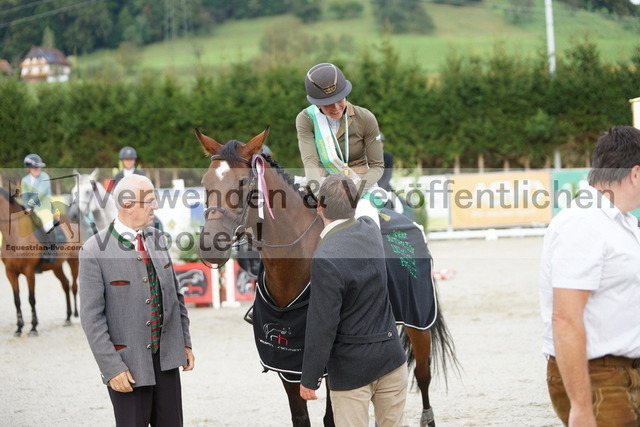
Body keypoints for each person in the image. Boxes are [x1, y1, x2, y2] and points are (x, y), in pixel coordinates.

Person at [540, 125, 640, 426]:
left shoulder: (622, 223)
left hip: (623, 370)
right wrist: (582, 407)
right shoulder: (583, 223)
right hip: (598, 375)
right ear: (635, 174)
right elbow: (565, 318)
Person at [79, 174, 194, 426]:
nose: (156, 207)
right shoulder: (93, 251)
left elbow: (175, 295)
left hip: (167, 361)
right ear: (128, 204)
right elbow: (91, 320)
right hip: (126, 368)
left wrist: (184, 342)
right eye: (150, 201)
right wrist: (112, 369)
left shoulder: (157, 238)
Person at [299, 174, 408, 427]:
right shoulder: (370, 229)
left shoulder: (325, 258)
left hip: (352, 370)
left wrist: (310, 378)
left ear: (319, 206)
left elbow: (322, 325)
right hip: (392, 359)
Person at [296, 62, 385, 226]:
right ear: (316, 103)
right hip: (323, 183)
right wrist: (319, 196)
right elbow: (310, 161)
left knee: (367, 219)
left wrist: (353, 195)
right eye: (328, 102)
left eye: (339, 99)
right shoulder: (306, 119)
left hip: (360, 183)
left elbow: (377, 166)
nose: (336, 107)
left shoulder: (365, 118)